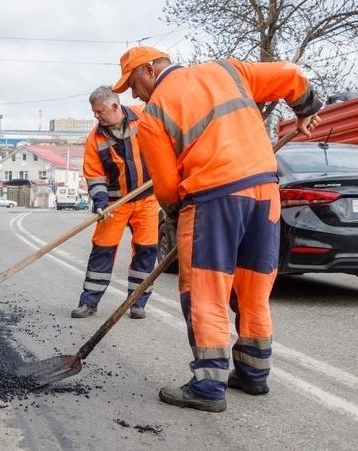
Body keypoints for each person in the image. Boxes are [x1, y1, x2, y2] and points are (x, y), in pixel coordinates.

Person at [112, 46, 321, 412]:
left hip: (212, 200)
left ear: (149, 69)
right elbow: (291, 75)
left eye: (133, 82)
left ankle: (208, 386)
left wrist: (178, 213)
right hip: (265, 193)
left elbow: (165, 185)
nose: (133, 93)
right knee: (252, 288)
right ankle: (253, 375)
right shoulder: (228, 70)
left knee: (205, 293)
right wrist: (306, 109)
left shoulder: (154, 113)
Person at [71, 86, 158, 320]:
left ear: (115, 107)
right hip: (114, 203)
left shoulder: (144, 116)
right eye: (94, 112)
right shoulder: (95, 138)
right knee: (103, 250)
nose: (96, 116)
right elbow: (94, 174)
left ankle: (138, 302)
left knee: (146, 250)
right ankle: (89, 302)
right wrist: (100, 202)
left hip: (147, 198)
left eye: (99, 111)